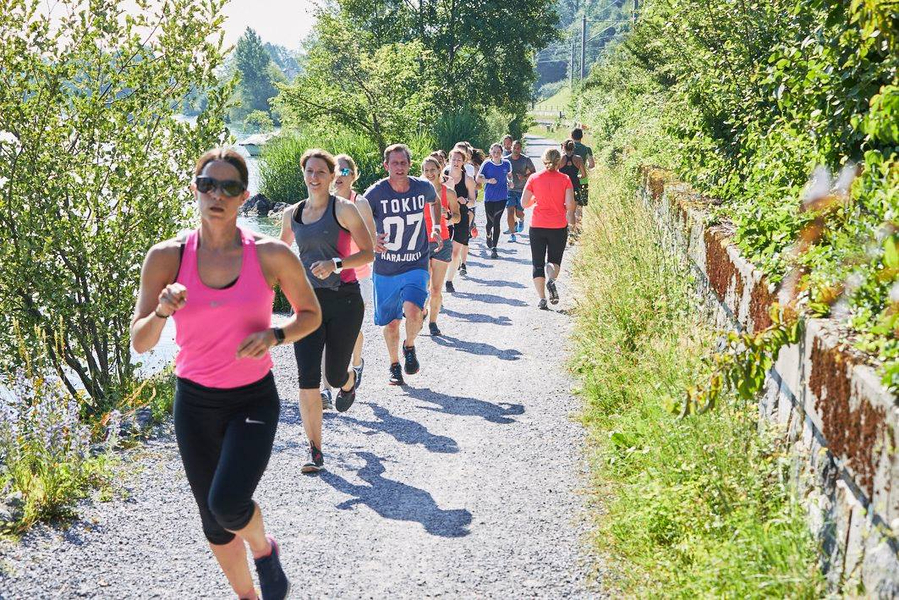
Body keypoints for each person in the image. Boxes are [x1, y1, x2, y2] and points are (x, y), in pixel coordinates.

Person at [131, 148, 322, 600]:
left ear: (244, 196)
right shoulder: (167, 257)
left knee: (228, 503)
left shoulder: (270, 254)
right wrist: (162, 311)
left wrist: (275, 335)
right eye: (208, 185)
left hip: (251, 398)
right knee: (213, 522)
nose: (217, 194)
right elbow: (140, 341)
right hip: (194, 402)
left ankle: (263, 548)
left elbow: (311, 314)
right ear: (195, 189)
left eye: (229, 187)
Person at [279, 149, 374, 474]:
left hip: (344, 300)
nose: (314, 177)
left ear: (333, 176)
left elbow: (368, 253)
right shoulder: (292, 214)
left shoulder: (343, 209)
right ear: (303, 173)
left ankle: (348, 381)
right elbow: (280, 252)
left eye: (321, 171)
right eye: (309, 171)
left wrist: (335, 264)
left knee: (332, 376)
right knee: (307, 380)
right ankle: (315, 451)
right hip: (307, 304)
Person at [365, 143, 443, 385]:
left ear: (409, 165)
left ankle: (409, 346)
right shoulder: (375, 193)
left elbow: (436, 201)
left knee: (414, 312)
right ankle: (394, 365)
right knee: (391, 324)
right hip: (386, 268)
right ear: (385, 166)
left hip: (415, 264)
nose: (399, 167)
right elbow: (358, 219)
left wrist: (436, 225)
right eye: (394, 163)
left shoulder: (423, 187)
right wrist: (371, 237)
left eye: (403, 163)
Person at [314, 153, 377, 411]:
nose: (339, 176)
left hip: (357, 276)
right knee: (326, 334)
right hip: (328, 279)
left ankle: (356, 364)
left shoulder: (359, 203)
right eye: (336, 171)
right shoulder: (322, 202)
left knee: (350, 331)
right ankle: (325, 391)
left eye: (344, 171)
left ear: (353, 175)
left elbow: (371, 242)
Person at [522, 148, 576, 310]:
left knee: (537, 264)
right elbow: (570, 205)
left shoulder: (534, 178)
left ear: (543, 160)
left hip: (537, 225)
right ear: (560, 162)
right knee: (554, 261)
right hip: (558, 226)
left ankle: (542, 299)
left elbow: (524, 203)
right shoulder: (565, 179)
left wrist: (535, 200)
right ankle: (551, 280)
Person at [421, 155, 460, 335]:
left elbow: (457, 217)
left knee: (436, 289)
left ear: (439, 170)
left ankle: (433, 323)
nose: (429, 173)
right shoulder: (418, 193)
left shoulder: (448, 193)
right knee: (424, 286)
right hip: (420, 243)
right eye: (426, 170)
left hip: (442, 242)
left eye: (432, 170)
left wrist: (447, 215)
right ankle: (422, 311)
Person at [443, 148, 477, 294]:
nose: (456, 162)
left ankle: (449, 281)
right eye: (454, 159)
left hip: (462, 216)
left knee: (455, 252)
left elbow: (473, 201)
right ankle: (440, 276)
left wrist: (465, 201)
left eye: (459, 160)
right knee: (443, 250)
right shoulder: (443, 176)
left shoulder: (467, 179)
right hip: (446, 216)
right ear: (449, 160)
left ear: (463, 162)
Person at [476, 143, 512, 259]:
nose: (496, 154)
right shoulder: (487, 164)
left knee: (497, 221)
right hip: (489, 198)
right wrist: (488, 181)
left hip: (502, 197)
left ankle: (494, 248)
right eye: (494, 152)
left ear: (502, 153)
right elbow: (478, 178)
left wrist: (510, 182)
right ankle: (488, 234)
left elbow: (509, 176)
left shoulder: (506, 163)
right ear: (490, 152)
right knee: (489, 223)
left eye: (498, 152)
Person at [505, 140, 536, 241]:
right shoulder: (506, 160)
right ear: (511, 148)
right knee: (510, 211)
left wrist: (524, 176)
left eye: (518, 148)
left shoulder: (525, 159)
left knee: (518, 213)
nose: (516, 150)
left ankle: (521, 219)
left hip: (521, 190)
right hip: (509, 190)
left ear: (521, 149)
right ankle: (512, 234)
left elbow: (533, 172)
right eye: (514, 148)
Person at [570, 127, 595, 229]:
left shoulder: (568, 147)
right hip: (583, 179)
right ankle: (578, 229)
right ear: (582, 137)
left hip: (570, 180)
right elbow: (592, 165)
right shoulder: (587, 149)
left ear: (571, 136)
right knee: (580, 205)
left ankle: (571, 228)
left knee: (570, 205)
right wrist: (585, 168)